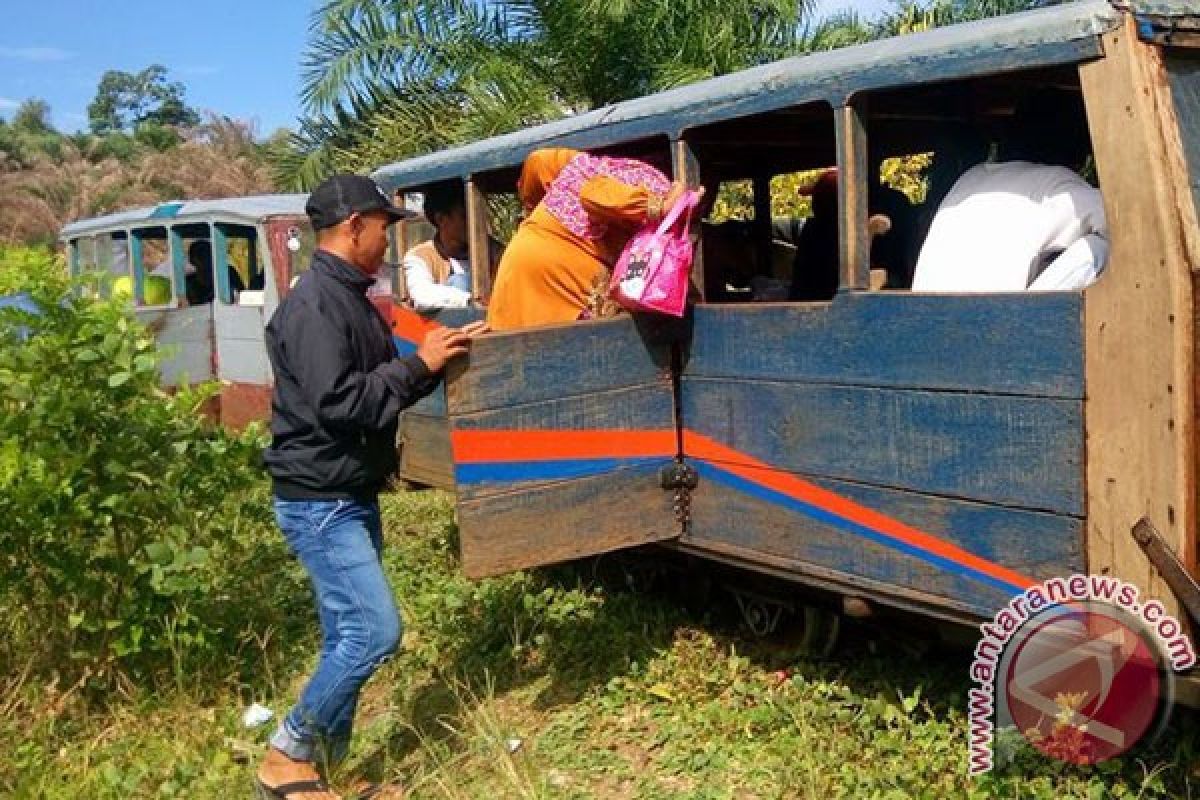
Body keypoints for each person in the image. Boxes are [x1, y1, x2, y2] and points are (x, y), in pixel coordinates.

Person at [256, 174, 486, 800]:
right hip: (320, 500)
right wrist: (418, 366)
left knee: (343, 634)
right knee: (374, 632)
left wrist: (430, 360)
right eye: (383, 225)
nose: (389, 238)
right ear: (353, 225)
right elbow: (340, 404)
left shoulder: (349, 296)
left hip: (347, 489)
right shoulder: (315, 307)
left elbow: (372, 385)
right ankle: (287, 752)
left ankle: (321, 770)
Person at [911, 90, 1107, 292]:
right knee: (1099, 247)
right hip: (1001, 319)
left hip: (928, 312)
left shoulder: (972, 176)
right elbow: (1121, 224)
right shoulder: (1058, 185)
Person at [486, 147, 690, 330]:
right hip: (555, 272)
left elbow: (537, 161)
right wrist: (658, 207)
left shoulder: (575, 165)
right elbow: (592, 194)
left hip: (530, 265)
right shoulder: (646, 180)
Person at [401, 183, 498, 309]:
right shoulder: (419, 257)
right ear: (441, 219)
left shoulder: (491, 248)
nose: (474, 222)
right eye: (465, 216)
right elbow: (423, 294)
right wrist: (471, 301)